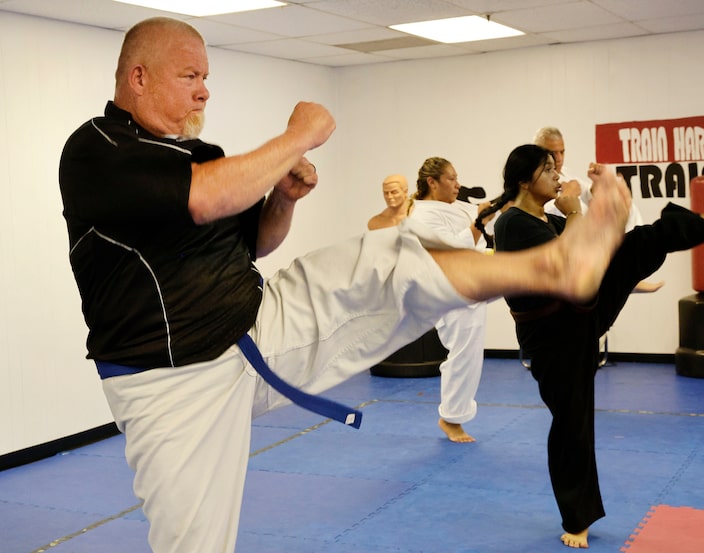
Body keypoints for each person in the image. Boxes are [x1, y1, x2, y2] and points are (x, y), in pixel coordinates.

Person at [58, 17, 631, 553]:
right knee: (195, 544)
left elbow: (254, 243)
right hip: (171, 385)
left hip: (254, 326)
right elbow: (208, 196)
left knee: (388, 258)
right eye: (190, 77)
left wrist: (281, 198)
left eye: (206, 77)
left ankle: (553, 266)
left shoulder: (195, 154)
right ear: (139, 77)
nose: (204, 91)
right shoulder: (99, 151)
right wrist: (297, 136)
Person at [480, 144, 704, 549]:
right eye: (548, 170)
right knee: (571, 422)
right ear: (525, 179)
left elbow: (595, 254)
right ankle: (576, 518)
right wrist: (581, 210)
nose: (557, 176)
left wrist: (608, 210)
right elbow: (577, 257)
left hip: (577, 316)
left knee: (643, 240)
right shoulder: (512, 223)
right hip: (552, 335)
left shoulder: (544, 219)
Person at [409, 157, 494, 443]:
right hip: (449, 288)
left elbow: (483, 212)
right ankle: (451, 419)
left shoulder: (454, 206)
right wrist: (480, 222)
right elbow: (453, 248)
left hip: (475, 277)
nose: (458, 184)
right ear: (432, 182)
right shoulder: (421, 215)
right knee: (465, 351)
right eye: (451, 179)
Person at [534, 126, 664, 296]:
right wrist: (567, 196)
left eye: (562, 152)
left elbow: (587, 192)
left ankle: (625, 268)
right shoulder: (535, 179)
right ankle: (616, 273)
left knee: (621, 205)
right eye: (552, 153)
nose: (558, 159)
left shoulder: (564, 174)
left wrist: (598, 184)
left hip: (583, 238)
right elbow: (537, 212)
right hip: (560, 244)